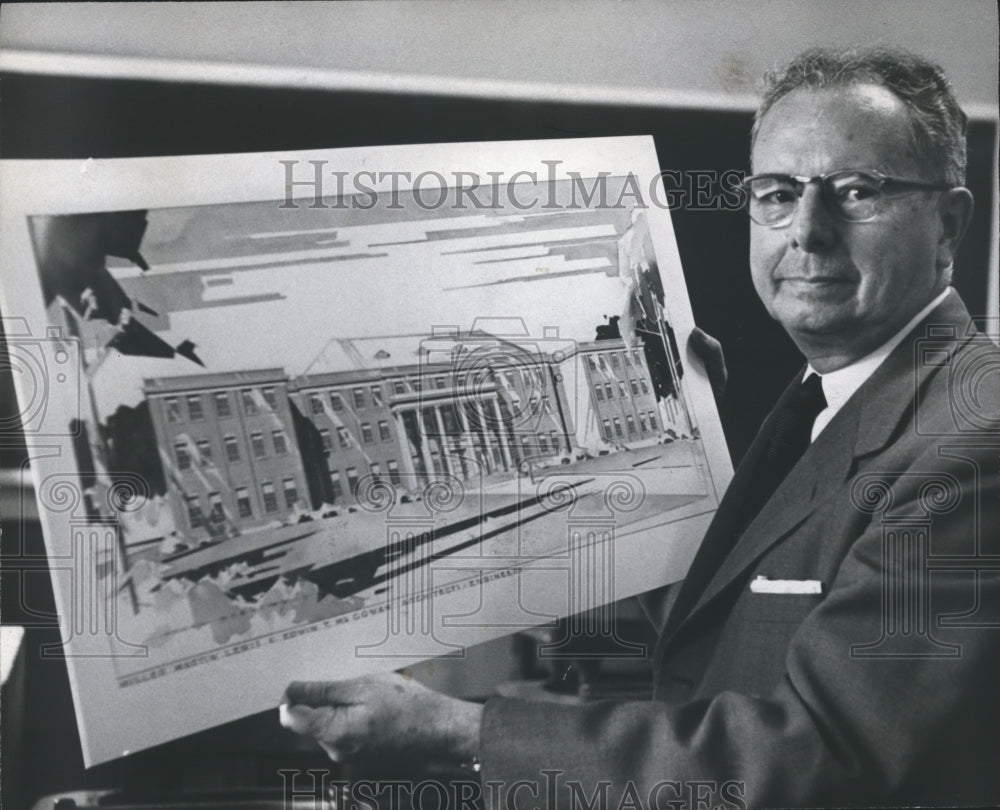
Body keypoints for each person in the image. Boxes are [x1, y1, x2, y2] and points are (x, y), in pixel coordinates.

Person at [280, 47, 1000, 808]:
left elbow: (820, 757)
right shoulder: (818, 406)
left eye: (858, 192)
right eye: (778, 194)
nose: (808, 232)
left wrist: (465, 735)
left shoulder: (973, 444)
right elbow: (724, 653)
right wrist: (693, 469)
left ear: (949, 225)